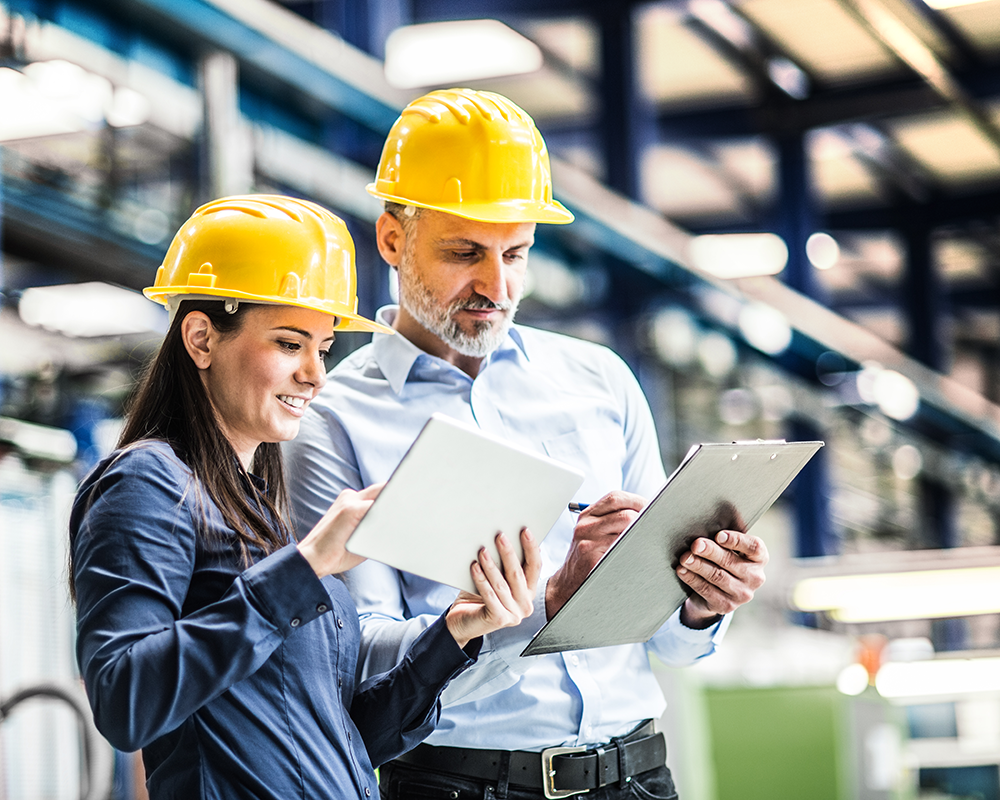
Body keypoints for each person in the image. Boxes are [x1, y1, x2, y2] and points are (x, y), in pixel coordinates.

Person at [285, 89, 768, 800]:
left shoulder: (599, 381)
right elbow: (367, 672)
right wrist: (548, 601)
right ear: (392, 239)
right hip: (463, 784)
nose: (497, 284)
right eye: (464, 252)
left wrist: (701, 596)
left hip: (635, 776)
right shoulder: (331, 420)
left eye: (517, 252)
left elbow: (669, 642)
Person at [69, 194, 540, 800]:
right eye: (290, 345)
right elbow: (124, 700)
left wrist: (454, 636)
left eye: (323, 349)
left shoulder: (259, 513)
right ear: (202, 339)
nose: (316, 375)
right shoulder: (147, 484)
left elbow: (338, 741)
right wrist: (310, 564)